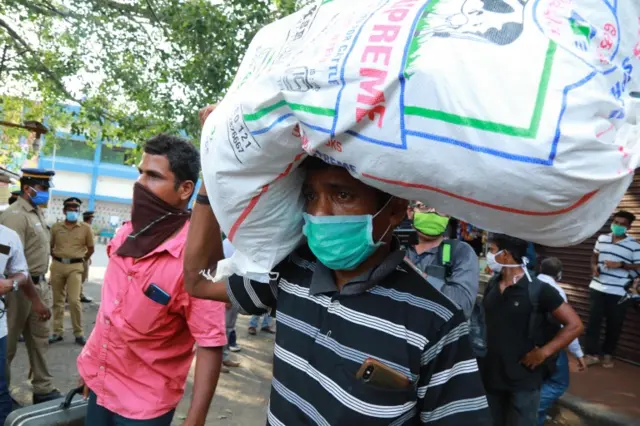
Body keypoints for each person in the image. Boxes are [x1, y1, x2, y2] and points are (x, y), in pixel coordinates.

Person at [185, 153, 492, 423]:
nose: (319, 214)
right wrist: (213, 174)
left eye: (342, 195)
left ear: (396, 209)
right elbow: (201, 279)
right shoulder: (291, 273)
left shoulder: (436, 320)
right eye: (310, 196)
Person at [77, 134, 226, 426]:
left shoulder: (196, 258)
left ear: (185, 189)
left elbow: (210, 342)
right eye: (140, 173)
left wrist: (196, 418)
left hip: (145, 406)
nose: (140, 184)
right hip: (100, 385)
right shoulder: (127, 233)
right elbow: (109, 313)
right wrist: (92, 372)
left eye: (154, 176)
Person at [480, 234, 584, 426]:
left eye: (493, 250)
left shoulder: (538, 290)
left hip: (523, 379)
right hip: (491, 376)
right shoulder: (493, 284)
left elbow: (575, 325)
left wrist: (544, 352)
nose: (489, 255)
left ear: (506, 255)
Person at [0, 168, 61, 404]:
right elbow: (11, 263)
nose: (46, 194)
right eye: (43, 189)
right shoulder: (15, 216)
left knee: (39, 338)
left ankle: (43, 388)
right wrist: (31, 296)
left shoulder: (36, 213)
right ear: (29, 189)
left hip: (38, 283)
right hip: (16, 290)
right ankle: (3, 394)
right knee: (8, 345)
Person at [1, 224, 52, 422]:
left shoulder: (7, 236)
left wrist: (11, 283)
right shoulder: (16, 216)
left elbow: (21, 271)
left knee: (0, 388)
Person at [536, 257, 587, 426]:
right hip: (549, 346)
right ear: (559, 274)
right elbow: (570, 327)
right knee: (559, 382)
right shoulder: (555, 291)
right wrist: (578, 354)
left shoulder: (528, 284)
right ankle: (532, 408)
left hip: (529, 343)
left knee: (541, 379)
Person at [405, 201, 479, 318]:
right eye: (425, 206)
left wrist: (418, 273)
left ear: (448, 216)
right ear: (410, 212)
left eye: (440, 208)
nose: (433, 212)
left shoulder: (460, 252)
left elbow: (464, 307)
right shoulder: (397, 248)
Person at [585, 210, 640, 368]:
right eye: (616, 222)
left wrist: (621, 265)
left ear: (628, 227)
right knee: (593, 323)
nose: (618, 226)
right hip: (597, 287)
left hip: (619, 291)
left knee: (614, 324)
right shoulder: (602, 239)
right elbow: (594, 256)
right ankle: (591, 354)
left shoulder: (634, 246)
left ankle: (608, 354)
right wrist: (594, 267)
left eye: (622, 224)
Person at [49, 197, 94, 346]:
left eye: (76, 210)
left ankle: (79, 333)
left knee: (74, 301)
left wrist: (81, 259)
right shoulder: (56, 227)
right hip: (58, 266)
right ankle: (57, 332)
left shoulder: (86, 228)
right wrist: (57, 258)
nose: (73, 212)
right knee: (57, 301)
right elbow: (51, 246)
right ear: (64, 211)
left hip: (75, 267)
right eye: (70, 210)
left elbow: (91, 248)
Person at [222, 237, 241, 371]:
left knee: (229, 327)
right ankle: (219, 361)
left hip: (235, 293)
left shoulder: (238, 244)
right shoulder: (227, 245)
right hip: (227, 293)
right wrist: (226, 297)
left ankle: (224, 357)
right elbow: (224, 271)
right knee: (222, 328)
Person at [80, 210, 95, 303]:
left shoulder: (81, 227)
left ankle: (77, 294)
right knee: (81, 277)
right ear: (90, 218)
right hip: (83, 256)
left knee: (80, 277)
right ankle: (78, 295)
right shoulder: (87, 228)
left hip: (84, 255)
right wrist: (86, 257)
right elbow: (90, 246)